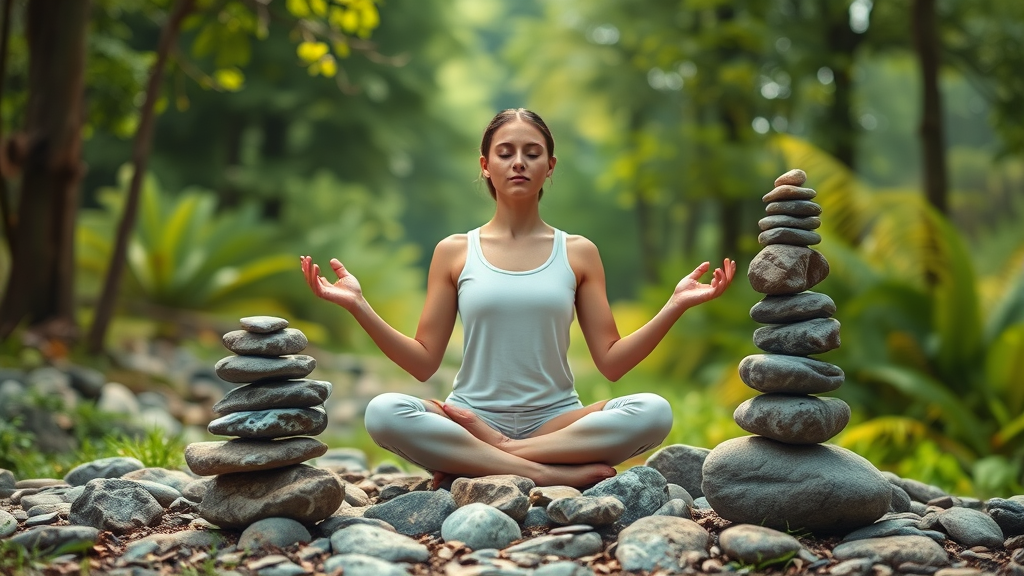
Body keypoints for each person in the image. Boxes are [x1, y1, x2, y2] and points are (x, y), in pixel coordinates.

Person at [301, 108, 736, 488]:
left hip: (557, 420)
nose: (519, 163)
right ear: (485, 165)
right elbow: (423, 362)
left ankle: (491, 459)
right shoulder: (454, 251)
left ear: (550, 165)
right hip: (471, 417)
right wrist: (359, 305)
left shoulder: (578, 252)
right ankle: (545, 472)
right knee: (382, 412)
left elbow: (612, 361)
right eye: (505, 152)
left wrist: (674, 305)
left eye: (532, 152)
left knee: (653, 411)